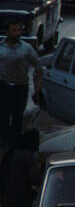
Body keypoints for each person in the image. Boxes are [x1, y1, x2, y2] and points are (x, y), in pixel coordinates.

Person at [0, 20, 42, 148]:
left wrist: (39, 83)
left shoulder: (26, 48)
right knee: (3, 114)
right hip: (4, 85)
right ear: (7, 32)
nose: (17, 33)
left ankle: (15, 142)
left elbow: (38, 66)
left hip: (21, 86)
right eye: (14, 30)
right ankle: (4, 140)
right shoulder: (1, 48)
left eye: (19, 30)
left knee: (18, 116)